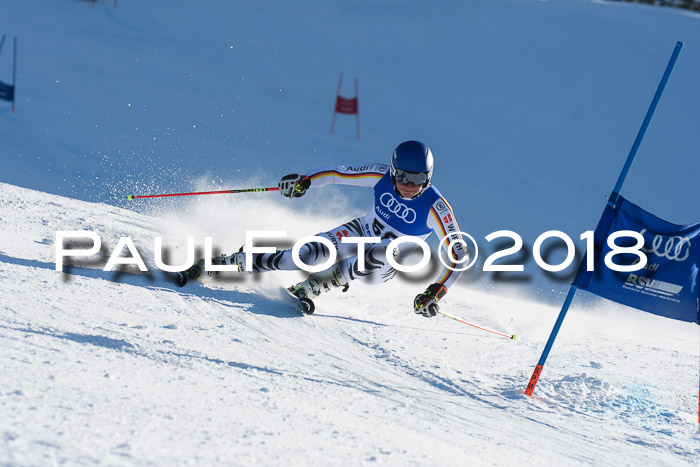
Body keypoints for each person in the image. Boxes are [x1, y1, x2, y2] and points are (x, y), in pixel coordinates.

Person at [178, 140, 468, 317]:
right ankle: (226, 265)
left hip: (385, 263)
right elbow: (337, 174)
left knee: (383, 252)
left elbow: (459, 256)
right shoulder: (380, 175)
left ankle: (317, 284)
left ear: (428, 178)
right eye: (403, 176)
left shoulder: (435, 207)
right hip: (359, 231)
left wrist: (435, 292)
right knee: (303, 256)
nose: (409, 185)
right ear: (393, 170)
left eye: (418, 179)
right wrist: (305, 182)